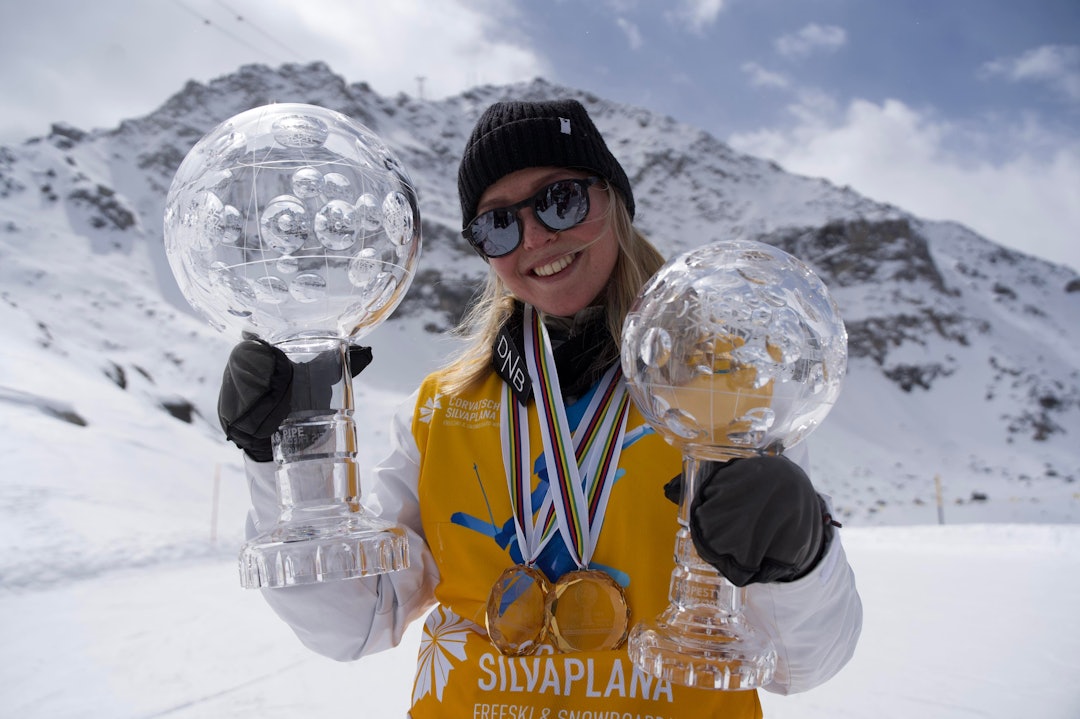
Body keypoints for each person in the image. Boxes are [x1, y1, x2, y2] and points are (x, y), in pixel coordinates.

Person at [219, 98, 862, 717]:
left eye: (561, 200)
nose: (533, 237)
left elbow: (800, 664)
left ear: (615, 203)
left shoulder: (723, 396)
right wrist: (286, 458)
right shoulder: (442, 411)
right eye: (497, 225)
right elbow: (353, 622)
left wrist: (800, 557)